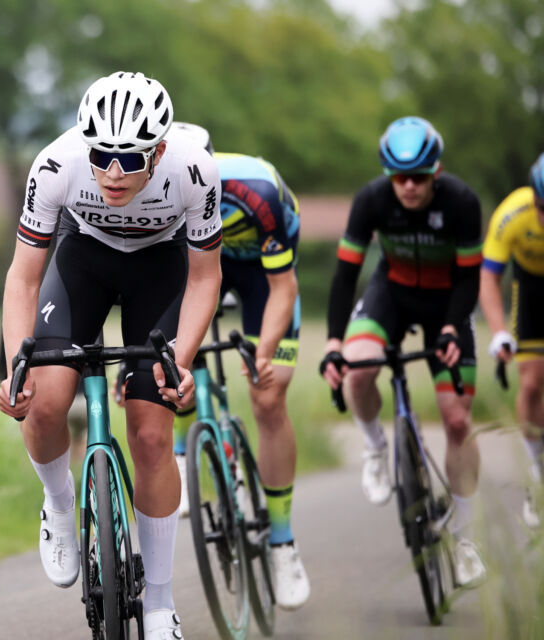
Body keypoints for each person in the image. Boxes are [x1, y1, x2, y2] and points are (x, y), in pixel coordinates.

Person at [0, 71, 223, 639]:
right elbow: (24, 278)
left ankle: (160, 604)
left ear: (161, 149)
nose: (114, 172)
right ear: (84, 141)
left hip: (162, 269)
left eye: (130, 158)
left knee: (151, 434)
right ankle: (58, 504)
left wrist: (183, 360)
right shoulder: (56, 163)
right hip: (84, 262)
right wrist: (15, 366)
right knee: (43, 405)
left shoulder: (194, 168)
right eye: (102, 155)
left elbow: (204, 278)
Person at [320, 116, 486, 588]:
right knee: (358, 367)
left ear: (436, 171)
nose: (409, 187)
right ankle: (375, 446)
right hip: (390, 294)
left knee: (457, 420)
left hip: (446, 303)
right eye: (399, 177)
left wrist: (454, 327)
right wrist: (334, 342)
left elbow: (470, 277)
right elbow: (345, 275)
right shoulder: (371, 199)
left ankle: (466, 538)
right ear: (387, 174)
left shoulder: (462, 202)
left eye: (418, 177)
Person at [164, 122, 310, 610]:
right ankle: (185, 448)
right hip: (197, 269)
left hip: (260, 278)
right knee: (168, 363)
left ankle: (282, 541)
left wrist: (263, 351)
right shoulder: (154, 192)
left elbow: (284, 287)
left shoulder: (256, 190)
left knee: (268, 396)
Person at [479, 152, 544, 528]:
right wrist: (500, 330)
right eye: (541, 206)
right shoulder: (512, 214)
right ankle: (536, 474)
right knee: (532, 382)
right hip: (532, 290)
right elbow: (489, 277)